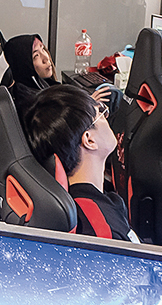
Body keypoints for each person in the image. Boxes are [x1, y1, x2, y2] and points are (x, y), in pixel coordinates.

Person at [21, 82, 137, 241]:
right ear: (89, 140)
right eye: (101, 113)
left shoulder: (79, 202)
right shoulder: (104, 233)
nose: (107, 117)